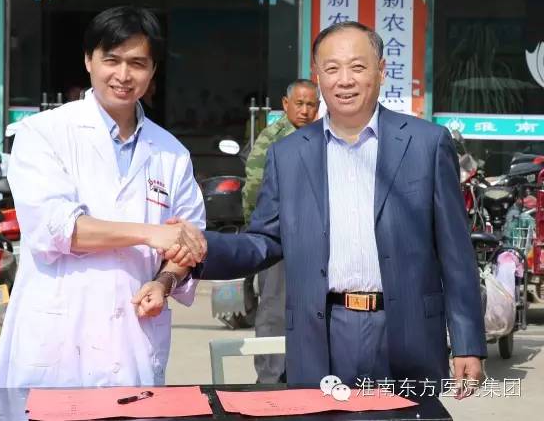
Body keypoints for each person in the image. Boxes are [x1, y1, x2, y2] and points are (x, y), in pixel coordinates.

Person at [168, 21, 486, 394]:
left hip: (408, 333)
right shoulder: (288, 154)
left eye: (357, 67)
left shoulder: (426, 144)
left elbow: (455, 251)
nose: (344, 80)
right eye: (332, 69)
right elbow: (264, 241)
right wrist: (202, 246)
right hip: (321, 333)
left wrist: (467, 341)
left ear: (381, 71)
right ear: (318, 76)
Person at [0, 6, 205, 388]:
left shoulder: (171, 153)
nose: (123, 75)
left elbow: (188, 243)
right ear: (88, 60)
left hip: (134, 340)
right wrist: (151, 233)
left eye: (137, 63)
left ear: (153, 70)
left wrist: (164, 282)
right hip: (58, 343)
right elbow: (59, 229)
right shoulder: (43, 133)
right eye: (112, 60)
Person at [242, 79, 319, 383]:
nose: (305, 110)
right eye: (299, 104)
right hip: (279, 240)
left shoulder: (324, 136)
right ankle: (270, 378)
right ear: (286, 105)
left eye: (311, 104)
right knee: (274, 308)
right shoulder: (272, 139)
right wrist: (260, 237)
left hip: (314, 241)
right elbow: (253, 190)